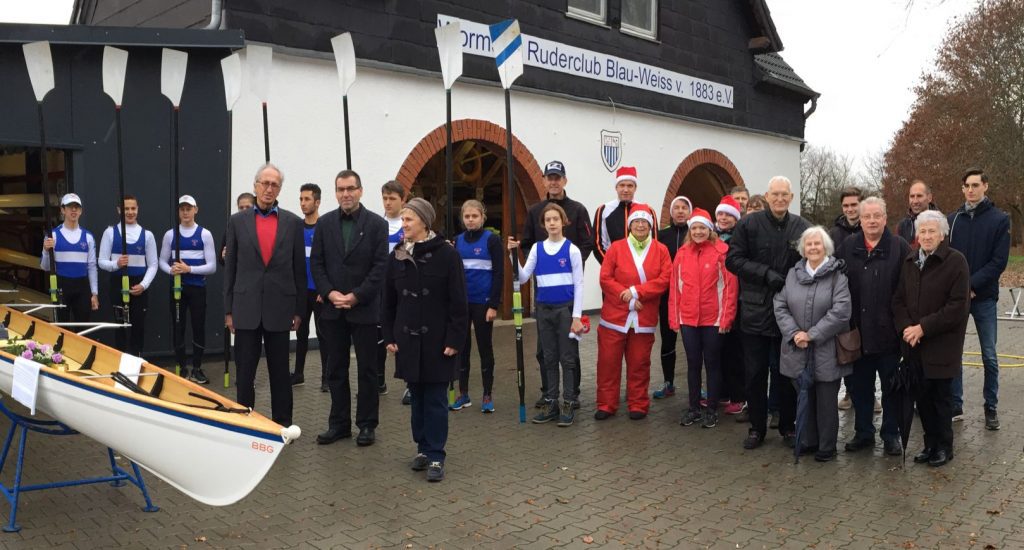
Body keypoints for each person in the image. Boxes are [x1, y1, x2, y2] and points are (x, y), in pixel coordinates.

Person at [383, 198, 468, 482]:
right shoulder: (397, 255)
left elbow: (459, 300)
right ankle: (421, 447)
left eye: (408, 219)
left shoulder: (447, 255)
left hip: (437, 340)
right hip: (408, 340)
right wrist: (390, 336)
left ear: (424, 222)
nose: (403, 224)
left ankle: (436, 455)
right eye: (403, 220)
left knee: (435, 398)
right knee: (416, 397)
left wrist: (455, 339)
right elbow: (389, 301)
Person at [726, 176, 810, 450]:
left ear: (791, 197)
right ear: (766, 195)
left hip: (789, 312)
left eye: (784, 194)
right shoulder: (748, 224)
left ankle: (787, 425)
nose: (779, 199)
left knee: (787, 373)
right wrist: (765, 274)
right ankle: (757, 427)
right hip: (754, 311)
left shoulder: (802, 227)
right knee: (755, 373)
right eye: (775, 194)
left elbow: (817, 256)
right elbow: (733, 260)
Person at [310, 169, 389, 447]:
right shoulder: (325, 224)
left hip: (364, 309)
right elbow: (316, 264)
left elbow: (380, 267)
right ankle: (339, 424)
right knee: (335, 368)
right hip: (332, 309)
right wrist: (329, 292)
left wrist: (355, 296)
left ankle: (367, 424)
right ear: (336, 192)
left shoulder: (377, 225)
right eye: (341, 189)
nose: (346, 194)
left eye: (351, 188)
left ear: (360, 191)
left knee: (367, 369)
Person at [224, 164, 305, 426]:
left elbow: (298, 270)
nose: (269, 189)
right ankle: (245, 423)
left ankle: (282, 425)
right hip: (245, 308)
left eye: (275, 185)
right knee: (244, 373)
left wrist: (299, 310)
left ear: (280, 189)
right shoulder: (237, 222)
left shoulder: (293, 223)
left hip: (280, 308)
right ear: (255, 184)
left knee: (280, 373)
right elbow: (231, 269)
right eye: (265, 183)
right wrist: (228, 310)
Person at [892, 210, 971, 467]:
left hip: (942, 344)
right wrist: (906, 328)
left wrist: (923, 328)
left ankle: (944, 447)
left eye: (932, 231)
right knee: (922, 399)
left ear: (942, 234)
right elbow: (899, 300)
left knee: (940, 399)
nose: (926, 236)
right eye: (922, 231)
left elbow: (957, 306)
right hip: (914, 345)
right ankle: (929, 444)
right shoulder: (910, 261)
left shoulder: (955, 262)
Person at [836, 197, 911, 455]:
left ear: (885, 218)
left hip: (888, 333)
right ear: (861, 218)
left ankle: (891, 433)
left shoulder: (899, 247)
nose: (871, 220)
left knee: (890, 388)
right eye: (866, 216)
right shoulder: (848, 246)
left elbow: (907, 290)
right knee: (859, 388)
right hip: (856, 332)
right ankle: (863, 433)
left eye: (876, 216)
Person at [773, 226, 852, 462]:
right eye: (809, 244)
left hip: (827, 348)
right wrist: (795, 333)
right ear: (803, 249)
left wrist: (812, 334)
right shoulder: (792, 274)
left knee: (826, 400)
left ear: (825, 247)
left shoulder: (838, 276)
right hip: (797, 348)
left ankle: (827, 446)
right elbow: (780, 305)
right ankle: (808, 440)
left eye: (818, 244)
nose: (813, 247)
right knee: (804, 396)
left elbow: (841, 312)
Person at [521, 160, 593, 408]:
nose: (553, 181)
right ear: (543, 180)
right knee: (545, 349)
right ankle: (548, 391)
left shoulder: (578, 209)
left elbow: (587, 243)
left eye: (557, 177)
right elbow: (526, 242)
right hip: (544, 292)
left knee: (569, 348)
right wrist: (542, 263)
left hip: (570, 291)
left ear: (564, 180)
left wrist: (571, 267)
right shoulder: (534, 211)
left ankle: (573, 393)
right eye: (549, 177)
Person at [508, 203, 585, 426]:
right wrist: (512, 255)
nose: (552, 223)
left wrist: (577, 317)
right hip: (544, 310)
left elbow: (579, 284)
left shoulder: (572, 250)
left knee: (567, 358)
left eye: (556, 219)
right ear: (543, 224)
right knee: (549, 358)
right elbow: (522, 277)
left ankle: (568, 402)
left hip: (566, 310)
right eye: (548, 220)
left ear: (563, 222)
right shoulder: (536, 249)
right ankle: (551, 401)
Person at [947, 168, 1010, 429]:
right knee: (954, 353)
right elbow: (947, 259)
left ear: (985, 186)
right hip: (957, 299)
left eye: (975, 185)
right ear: (962, 189)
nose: (971, 190)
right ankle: (955, 404)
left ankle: (991, 406)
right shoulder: (953, 220)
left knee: (989, 355)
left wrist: (971, 285)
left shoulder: (1000, 220)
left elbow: (998, 262)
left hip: (984, 298)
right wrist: (960, 289)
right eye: (966, 186)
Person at [595, 206, 670, 420]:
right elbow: (605, 278)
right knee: (608, 363)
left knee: (639, 363)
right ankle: (606, 404)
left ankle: (638, 403)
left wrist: (636, 292)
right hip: (614, 317)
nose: (640, 225)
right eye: (636, 222)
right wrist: (625, 297)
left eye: (644, 222)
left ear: (650, 226)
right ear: (629, 225)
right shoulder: (616, 248)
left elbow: (664, 279)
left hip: (643, 316)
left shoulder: (661, 250)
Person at [669, 208, 737, 429]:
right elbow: (675, 288)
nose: (698, 232)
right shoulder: (682, 253)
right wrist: (674, 316)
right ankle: (694, 408)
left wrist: (726, 317)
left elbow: (729, 288)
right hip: (688, 318)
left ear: (710, 230)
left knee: (713, 364)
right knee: (692, 364)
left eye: (702, 228)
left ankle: (711, 409)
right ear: (690, 230)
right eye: (695, 228)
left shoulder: (721, 252)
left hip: (712, 319)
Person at [453, 200, 503, 413]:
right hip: (462, 304)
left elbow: (499, 273)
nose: (471, 220)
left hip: (483, 304)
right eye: (467, 217)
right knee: (462, 349)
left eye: (475, 216)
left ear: (483, 217)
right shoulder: (456, 241)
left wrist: (493, 305)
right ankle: (463, 394)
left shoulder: (491, 240)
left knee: (485, 349)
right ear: (462, 219)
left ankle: (487, 395)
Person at [160, 195, 217, 383]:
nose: (185, 212)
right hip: (177, 288)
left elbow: (212, 266)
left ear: (196, 210)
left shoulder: (204, 234)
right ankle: (181, 367)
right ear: (178, 211)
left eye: (188, 208)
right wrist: (171, 270)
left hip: (197, 288)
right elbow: (161, 260)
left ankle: (197, 368)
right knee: (178, 327)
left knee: (198, 327)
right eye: (182, 209)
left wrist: (189, 269)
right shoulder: (170, 234)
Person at [98, 195, 157, 356]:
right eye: (126, 209)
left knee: (138, 326)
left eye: (133, 208)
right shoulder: (110, 233)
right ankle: (120, 361)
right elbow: (101, 261)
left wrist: (144, 285)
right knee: (120, 326)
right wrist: (116, 264)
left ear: (137, 209)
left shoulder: (147, 235)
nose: (130, 212)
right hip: (118, 283)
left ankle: (136, 361)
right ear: (119, 210)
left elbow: (153, 264)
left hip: (139, 286)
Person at [654, 196, 691, 399]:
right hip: (667, 298)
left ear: (689, 212)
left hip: (691, 298)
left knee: (692, 344)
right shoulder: (661, 235)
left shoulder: (695, 233)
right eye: (676, 207)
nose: (680, 211)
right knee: (667, 341)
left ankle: (697, 386)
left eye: (684, 208)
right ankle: (668, 382)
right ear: (671, 212)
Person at [41, 193, 98, 324]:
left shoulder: (88, 237)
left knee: (83, 329)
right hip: (61, 285)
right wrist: (45, 250)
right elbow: (45, 267)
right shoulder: (52, 236)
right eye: (70, 206)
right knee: (61, 328)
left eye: (76, 207)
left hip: (82, 287)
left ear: (81, 211)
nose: (73, 210)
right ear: (62, 210)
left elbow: (92, 267)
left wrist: (94, 293)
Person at [292, 183, 328, 389]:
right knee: (300, 333)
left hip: (320, 292)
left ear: (317, 202)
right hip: (301, 291)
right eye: (301, 199)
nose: (303, 203)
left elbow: (330, 261)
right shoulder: (296, 228)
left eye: (307, 199)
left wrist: (325, 290)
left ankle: (326, 377)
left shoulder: (324, 227)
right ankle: (298, 374)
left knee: (324, 336)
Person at [830, 186, 862, 411]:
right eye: (846, 206)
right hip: (842, 298)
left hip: (865, 296)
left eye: (854, 204)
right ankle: (849, 392)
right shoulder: (834, 234)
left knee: (864, 347)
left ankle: (864, 392)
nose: (850, 209)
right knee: (845, 346)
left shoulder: (871, 228)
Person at [714, 195, 745, 416]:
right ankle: (722, 393)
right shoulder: (710, 237)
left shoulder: (741, 238)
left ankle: (739, 396)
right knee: (718, 351)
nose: (723, 218)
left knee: (736, 352)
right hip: (715, 302)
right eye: (720, 214)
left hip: (739, 300)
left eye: (728, 215)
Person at [593, 166, 657, 264]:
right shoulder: (603, 210)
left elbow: (654, 242)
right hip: (613, 269)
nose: (626, 190)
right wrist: (611, 267)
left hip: (642, 269)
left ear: (635, 188)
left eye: (630, 186)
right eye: (622, 185)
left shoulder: (648, 210)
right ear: (616, 187)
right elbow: (598, 245)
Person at [380, 180, 407, 399]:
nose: (388, 203)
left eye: (392, 199)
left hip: (403, 287)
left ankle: (409, 383)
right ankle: (379, 380)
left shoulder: (407, 226)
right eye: (385, 198)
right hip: (381, 287)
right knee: (380, 333)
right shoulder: (376, 226)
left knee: (404, 334)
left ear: (402, 200)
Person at [896, 180, 937, 246]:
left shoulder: (941, 223)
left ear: (929, 198)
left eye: (919, 196)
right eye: (912, 196)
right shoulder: (902, 226)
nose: (915, 201)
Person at [221, 193, 256, 263]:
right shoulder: (232, 227)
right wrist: (224, 257)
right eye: (241, 207)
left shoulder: (261, 226)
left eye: (248, 207)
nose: (244, 210)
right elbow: (222, 259)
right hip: (238, 271)